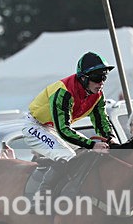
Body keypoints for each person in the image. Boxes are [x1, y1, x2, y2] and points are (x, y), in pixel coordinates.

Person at [22, 51, 116, 191]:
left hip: (54, 128)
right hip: (36, 126)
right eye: (97, 77)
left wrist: (110, 139)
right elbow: (63, 130)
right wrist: (92, 144)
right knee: (68, 156)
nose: (101, 82)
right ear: (83, 78)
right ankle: (42, 194)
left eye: (104, 77)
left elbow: (101, 121)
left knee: (86, 155)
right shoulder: (63, 92)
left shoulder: (97, 95)